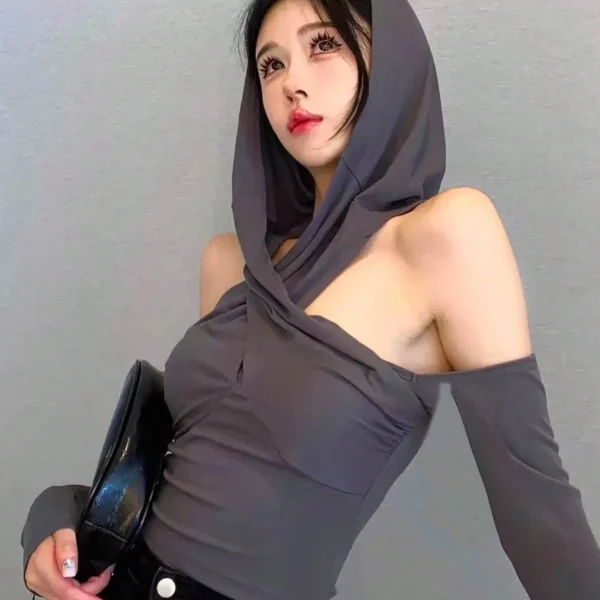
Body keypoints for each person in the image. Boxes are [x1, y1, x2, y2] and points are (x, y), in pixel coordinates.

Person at [20, 0, 600, 599]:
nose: (292, 83)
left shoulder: (444, 237)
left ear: (392, 61)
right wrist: (52, 515)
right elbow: (188, 467)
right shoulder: (231, 263)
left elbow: (538, 512)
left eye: (324, 45)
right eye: (271, 65)